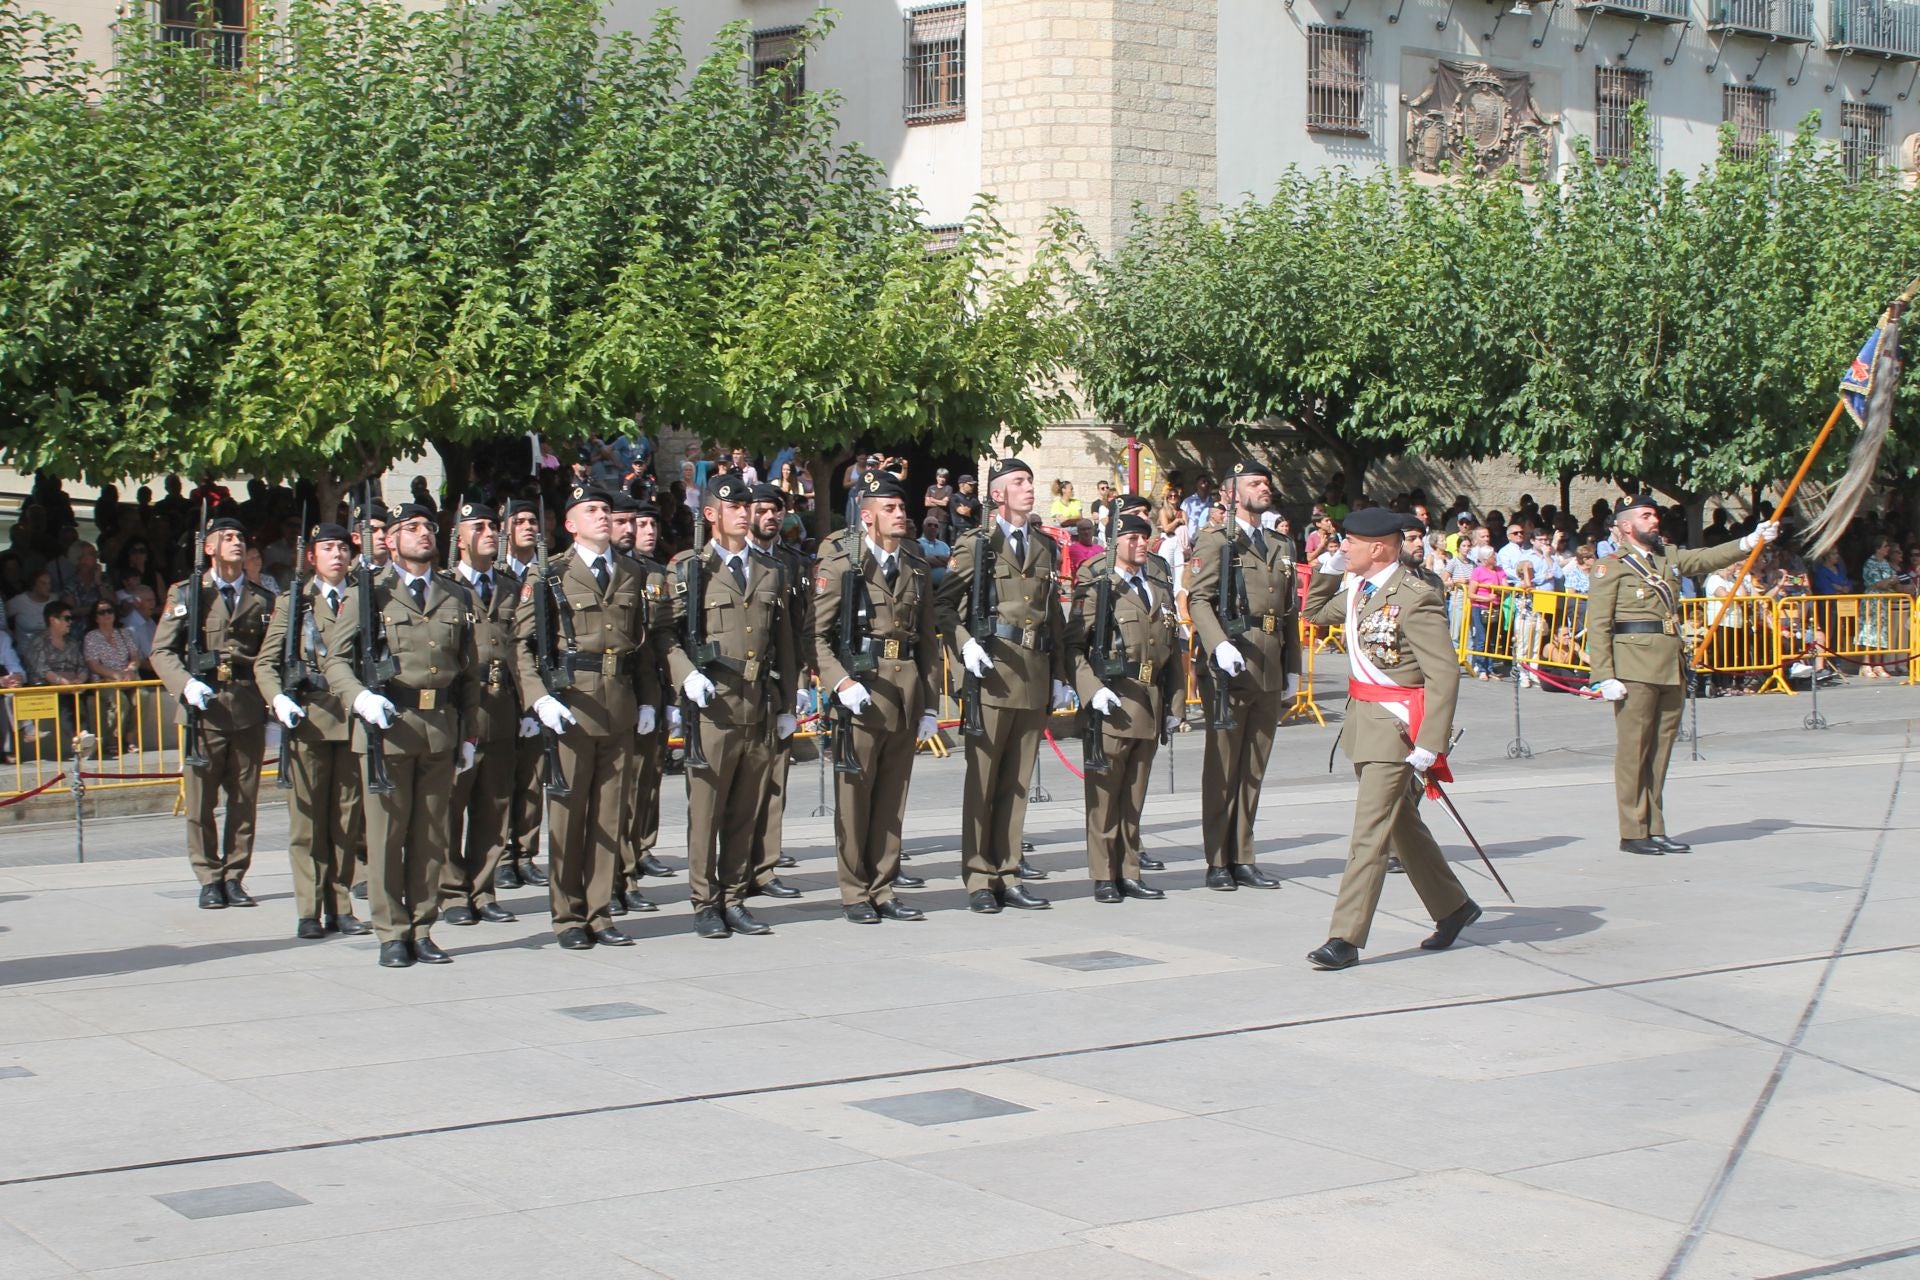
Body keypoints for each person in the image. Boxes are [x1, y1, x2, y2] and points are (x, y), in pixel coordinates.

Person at [1302, 510, 1479, 970]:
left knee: (1369, 833)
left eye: (1349, 544)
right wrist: (1327, 569)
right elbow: (1314, 613)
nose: (1343, 549)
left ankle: (1345, 936)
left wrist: (1431, 741)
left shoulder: (1414, 596)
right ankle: (1453, 906)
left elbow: (1442, 672)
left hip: (1397, 729)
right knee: (1400, 822)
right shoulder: (1360, 589)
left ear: (1378, 548)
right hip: (1365, 724)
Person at [325, 501, 480, 966]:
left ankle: (423, 925)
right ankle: (391, 930)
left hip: (439, 729)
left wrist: (468, 734)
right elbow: (335, 659)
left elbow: (468, 673)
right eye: (409, 528)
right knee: (388, 836)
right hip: (387, 729)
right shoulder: (369, 594)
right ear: (389, 540)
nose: (423, 534)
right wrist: (358, 697)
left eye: (428, 526)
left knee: (432, 835)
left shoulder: (454, 594)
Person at [1587, 495, 1776, 855]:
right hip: (1633, 668)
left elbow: (1707, 558)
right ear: (1627, 526)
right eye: (1646, 516)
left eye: (1655, 515)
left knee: (1660, 751)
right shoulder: (1610, 566)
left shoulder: (1667, 558)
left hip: (1669, 663)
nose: (1654, 521)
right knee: (1634, 752)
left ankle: (1655, 827)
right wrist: (1603, 675)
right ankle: (1632, 830)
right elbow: (1597, 624)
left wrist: (1750, 541)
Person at [516, 486, 662, 951]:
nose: (603, 517)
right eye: (592, 510)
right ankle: (567, 916)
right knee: (568, 817)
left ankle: (599, 912)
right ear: (570, 524)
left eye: (606, 510)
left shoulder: (632, 571)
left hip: (618, 705)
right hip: (571, 708)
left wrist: (648, 701)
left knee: (609, 817)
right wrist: (539, 699)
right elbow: (522, 646)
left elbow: (642, 648)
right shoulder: (551, 574)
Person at [935, 457, 1070, 914]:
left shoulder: (1043, 545)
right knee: (985, 780)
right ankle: (978, 876)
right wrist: (964, 644)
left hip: (1033, 672)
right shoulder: (978, 544)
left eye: (1031, 481)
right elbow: (943, 605)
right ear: (997, 495)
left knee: (1017, 782)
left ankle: (1009, 872)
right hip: (991, 674)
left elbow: (1053, 615)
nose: (1028, 488)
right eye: (1018, 482)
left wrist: (1061, 676)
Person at [669, 473, 799, 938]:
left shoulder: (771, 571)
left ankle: (735, 896)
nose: (745, 513)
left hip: (757, 701)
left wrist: (788, 701)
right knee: (707, 808)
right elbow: (669, 636)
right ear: (711, 514)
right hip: (714, 704)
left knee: (746, 807)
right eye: (734, 506)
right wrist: (687, 677)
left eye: (748, 505)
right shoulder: (690, 569)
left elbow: (784, 641)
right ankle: (705, 901)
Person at [813, 470, 940, 922]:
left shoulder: (916, 564)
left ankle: (883, 887)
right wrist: (841, 684)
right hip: (860, 693)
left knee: (891, 799)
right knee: (855, 799)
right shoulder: (841, 564)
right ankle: (854, 891)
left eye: (901, 507)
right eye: (890, 508)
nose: (900, 514)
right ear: (867, 517)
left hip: (902, 693)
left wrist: (930, 703)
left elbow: (927, 639)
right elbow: (819, 636)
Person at [1185, 459, 1300, 891]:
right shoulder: (1215, 540)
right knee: (1223, 766)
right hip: (1230, 664)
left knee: (1253, 765)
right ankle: (1218, 859)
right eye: (1254, 482)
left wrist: (1292, 667)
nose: (1264, 487)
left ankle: (1243, 855)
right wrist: (1218, 644)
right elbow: (1199, 600)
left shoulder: (1280, 544)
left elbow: (1287, 611)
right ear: (1229, 494)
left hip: (1268, 663)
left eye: (1266, 481)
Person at [151, 516, 275, 909]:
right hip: (202, 710)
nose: (236, 542)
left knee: (244, 799)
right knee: (201, 802)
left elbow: (268, 657)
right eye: (227, 537)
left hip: (247, 706)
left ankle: (235, 875)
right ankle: (208, 876)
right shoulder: (188, 594)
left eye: (240, 536)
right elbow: (161, 651)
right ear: (209, 548)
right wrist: (185, 684)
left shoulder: (262, 599)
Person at [257, 522, 368, 940]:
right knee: (307, 824)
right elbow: (265, 664)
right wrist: (277, 699)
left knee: (345, 821)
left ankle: (341, 905)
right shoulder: (295, 603)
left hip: (353, 720)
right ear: (312, 557)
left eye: (342, 547)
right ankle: (309, 908)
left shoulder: (364, 597)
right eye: (328, 548)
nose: (337, 555)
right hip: (309, 721)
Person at [1069, 512, 1182, 902]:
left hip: (1149, 700)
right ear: (1113, 542)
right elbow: (1073, 646)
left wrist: (1175, 702)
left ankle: (1129, 871)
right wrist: (1090, 690)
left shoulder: (1158, 588)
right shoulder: (1100, 588)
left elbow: (1174, 651)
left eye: (1144, 539)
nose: (1140, 545)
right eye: (1131, 538)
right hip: (1113, 701)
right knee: (1104, 796)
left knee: (1134, 796)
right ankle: (1104, 875)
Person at [439, 503, 523, 930]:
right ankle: (452, 889)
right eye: (479, 527)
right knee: (452, 805)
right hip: (461, 711)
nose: (490, 533)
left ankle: (483, 888)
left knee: (495, 805)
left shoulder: (509, 587)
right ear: (460, 537)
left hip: (503, 708)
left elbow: (524, 649)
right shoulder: (445, 587)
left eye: (493, 526)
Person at [745, 482, 811, 904]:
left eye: (776, 510)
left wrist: (800, 685)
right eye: (762, 509)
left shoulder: (792, 564)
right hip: (737, 685)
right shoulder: (733, 561)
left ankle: (764, 867)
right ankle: (730, 865)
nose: (770, 517)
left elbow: (801, 629)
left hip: (777, 682)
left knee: (774, 779)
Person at [623, 499, 678, 899]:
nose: (647, 531)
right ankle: (624, 854)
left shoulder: (660, 573)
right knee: (624, 780)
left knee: (650, 774)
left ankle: (644, 844)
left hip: (655, 683)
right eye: (640, 524)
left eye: (651, 525)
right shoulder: (624, 572)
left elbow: (667, 636)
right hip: (622, 685)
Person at [496, 499, 550, 890]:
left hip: (535, 685)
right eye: (520, 522)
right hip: (499, 687)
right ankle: (500, 855)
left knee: (532, 776)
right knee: (500, 779)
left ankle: (526, 851)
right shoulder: (494, 574)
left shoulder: (547, 572)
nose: (528, 527)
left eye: (533, 521)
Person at [81, 599, 140, 754]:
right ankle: (114, 739)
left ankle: (129, 738)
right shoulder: (91, 637)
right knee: (121, 702)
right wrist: (116, 675)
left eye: (110, 611)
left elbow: (135, 656)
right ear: (96, 617)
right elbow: (93, 665)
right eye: (102, 612)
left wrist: (130, 670)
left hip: (127, 678)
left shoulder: (124, 633)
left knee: (143, 697)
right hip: (104, 680)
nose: (107, 614)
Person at [918, 515, 952, 586]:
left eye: (936, 526)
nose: (933, 527)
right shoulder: (917, 544)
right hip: (924, 588)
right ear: (923, 527)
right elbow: (921, 562)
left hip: (942, 588)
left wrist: (934, 558)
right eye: (929, 525)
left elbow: (953, 565)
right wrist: (944, 562)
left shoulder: (944, 546)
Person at [924, 468, 954, 538]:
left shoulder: (948, 488)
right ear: (936, 477)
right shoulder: (931, 488)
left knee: (941, 539)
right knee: (927, 538)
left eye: (944, 477)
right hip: (930, 517)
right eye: (940, 477)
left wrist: (932, 499)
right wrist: (940, 501)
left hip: (942, 518)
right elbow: (926, 503)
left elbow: (945, 504)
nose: (942, 479)